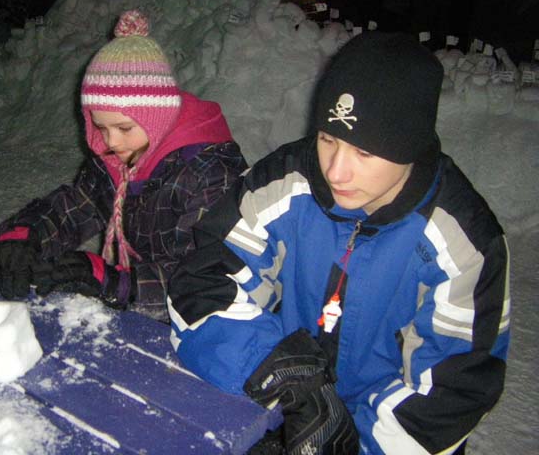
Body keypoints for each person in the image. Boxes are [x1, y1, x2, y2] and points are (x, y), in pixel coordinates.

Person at [167, 32, 510, 454]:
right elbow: (202, 285)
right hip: (276, 406)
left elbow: (452, 393)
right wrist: (281, 377)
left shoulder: (463, 243)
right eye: (328, 139)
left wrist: (341, 445)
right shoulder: (285, 182)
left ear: (411, 149)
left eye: (364, 153)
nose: (335, 171)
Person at [0, 10, 248, 322]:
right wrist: (25, 234)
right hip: (140, 308)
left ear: (157, 118)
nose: (111, 142)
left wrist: (113, 281)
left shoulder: (210, 175)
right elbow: (78, 205)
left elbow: (203, 280)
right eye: (101, 127)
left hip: (207, 325)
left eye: (123, 128)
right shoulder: (120, 155)